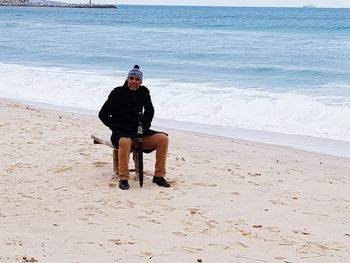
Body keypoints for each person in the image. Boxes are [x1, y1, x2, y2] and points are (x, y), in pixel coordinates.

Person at [98, 65, 170, 190]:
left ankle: (159, 176)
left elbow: (150, 111)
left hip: (140, 133)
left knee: (163, 139)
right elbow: (103, 114)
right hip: (121, 134)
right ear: (127, 79)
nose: (134, 81)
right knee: (125, 141)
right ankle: (124, 178)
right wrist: (116, 128)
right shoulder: (117, 93)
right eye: (131, 78)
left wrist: (145, 127)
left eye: (137, 79)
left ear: (141, 82)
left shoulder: (144, 92)